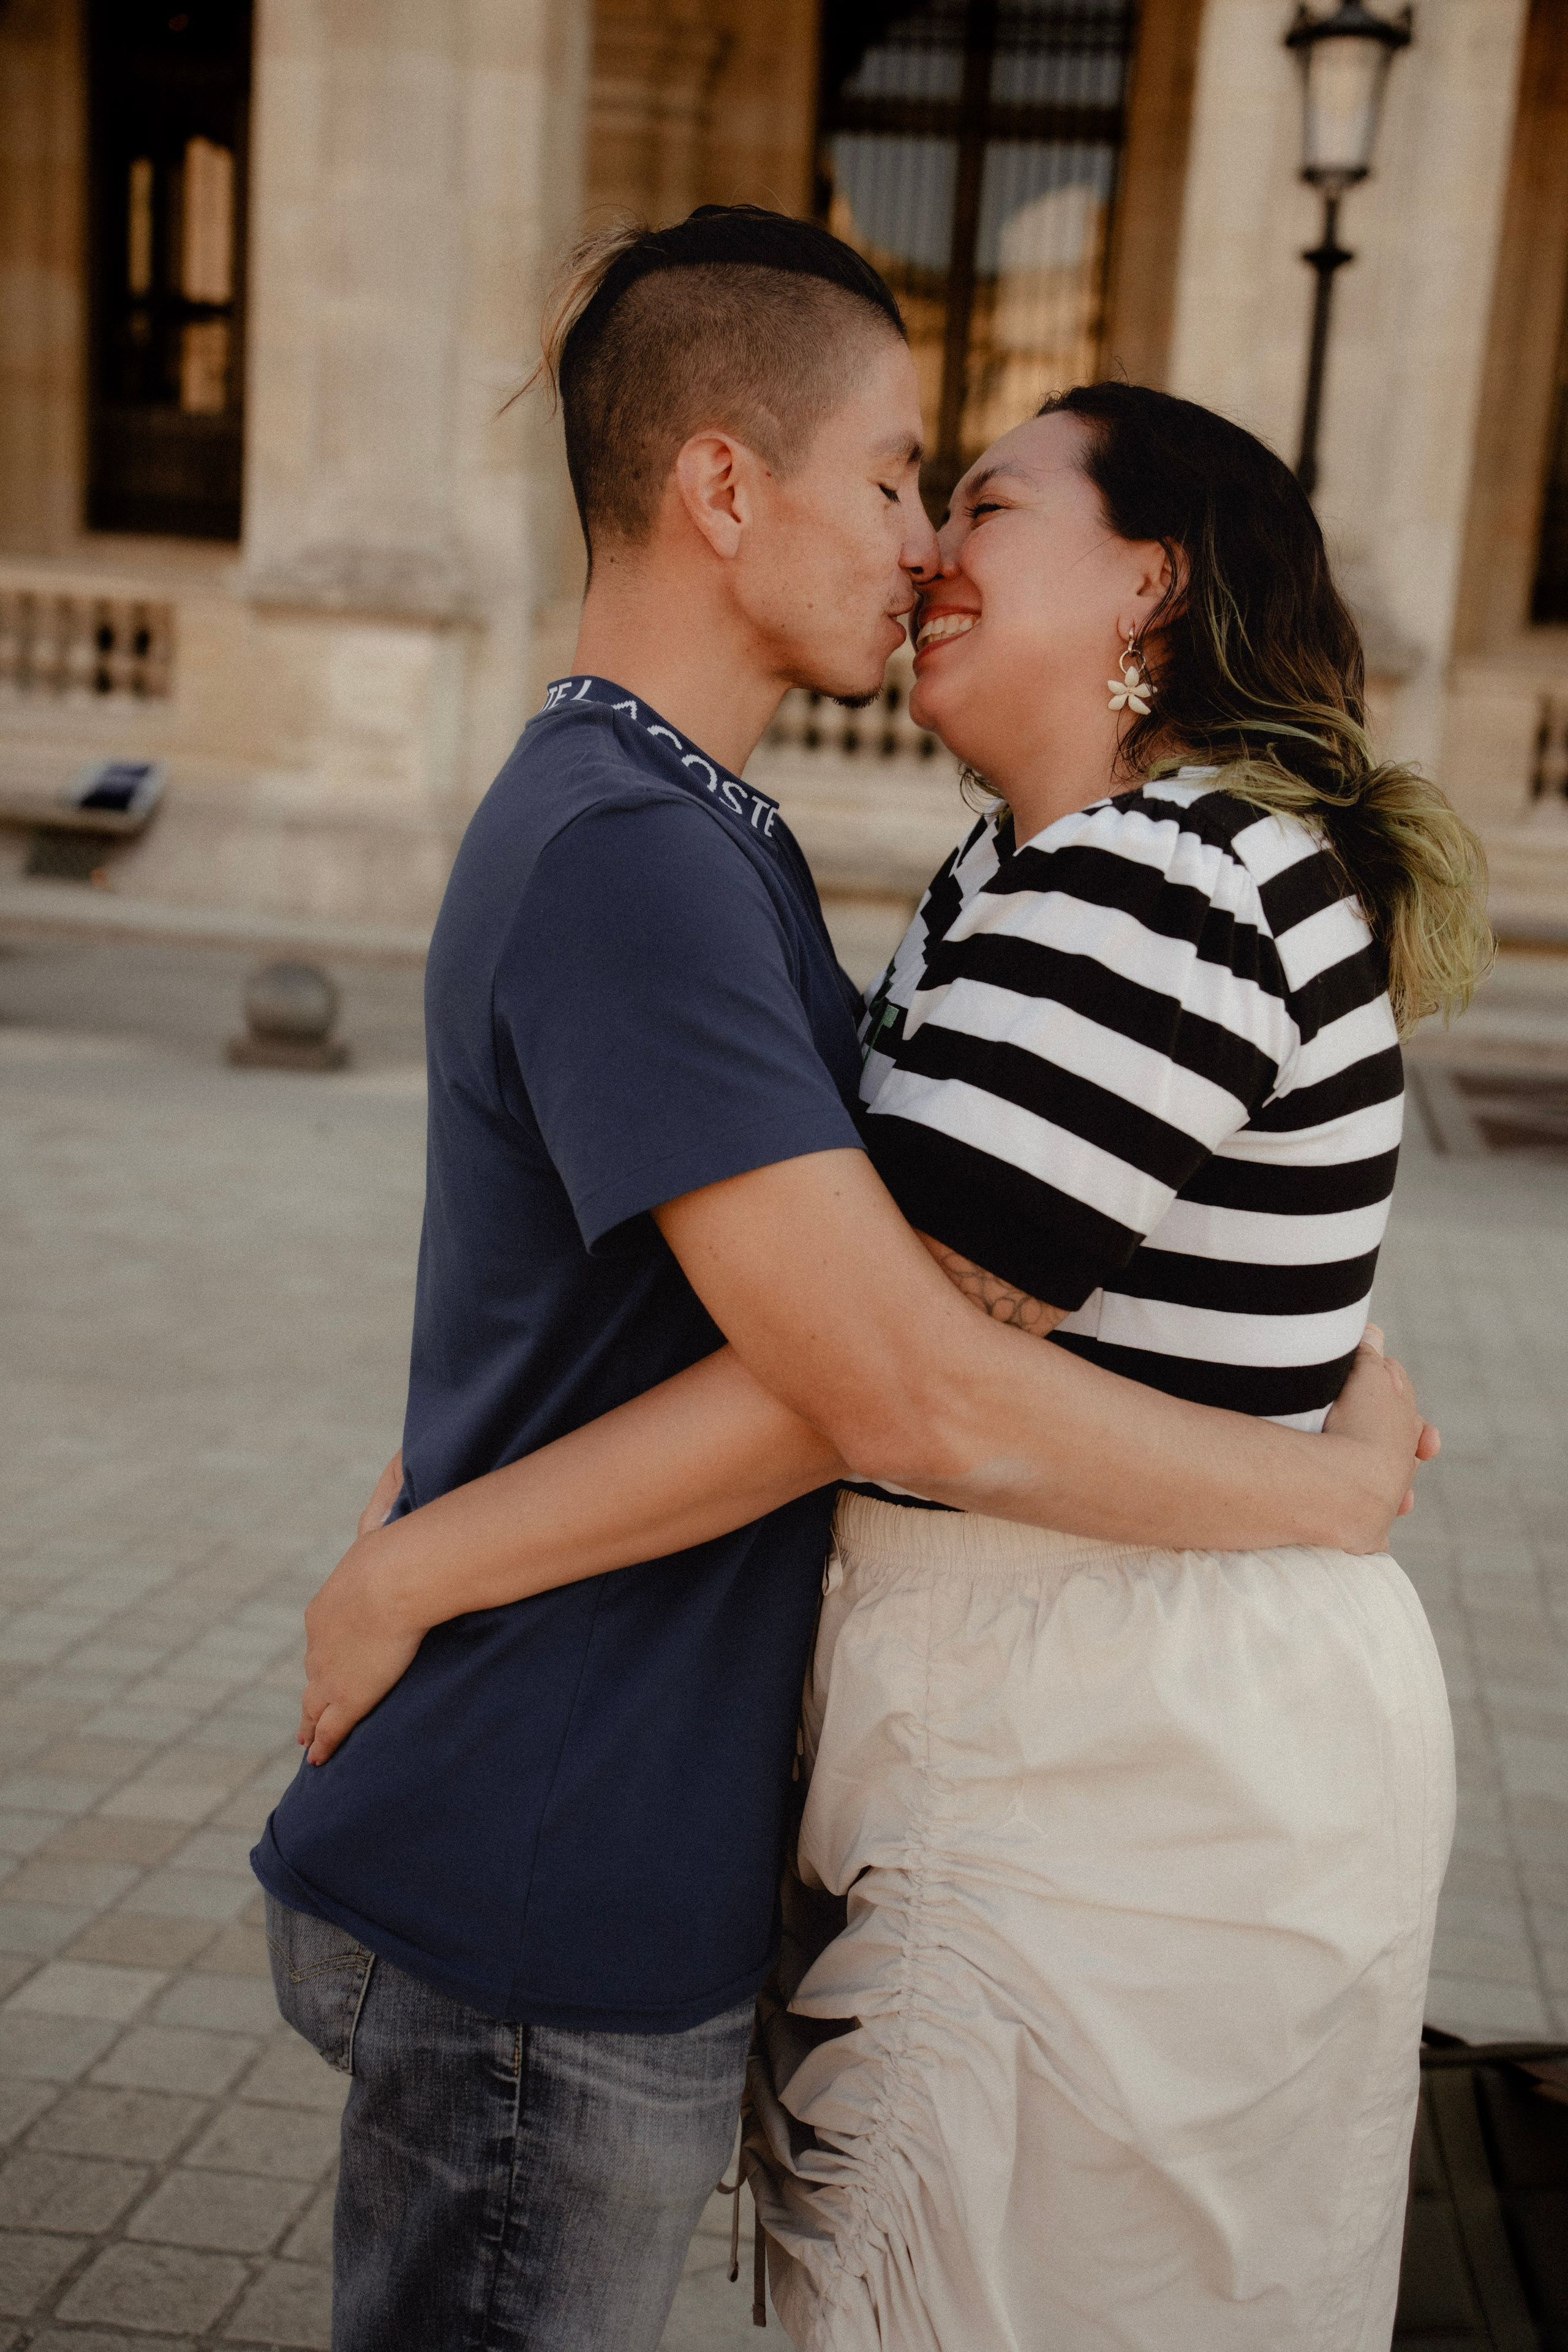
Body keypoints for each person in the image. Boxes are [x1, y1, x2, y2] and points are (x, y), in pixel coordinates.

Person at [257, 208, 1438, 2352]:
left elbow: (920, 1337)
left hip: (769, 1783)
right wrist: (1322, 1481)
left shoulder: (750, 838)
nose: (921, 543)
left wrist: (433, 1532)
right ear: (726, 488)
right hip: (570, 1811)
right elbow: (896, 1370)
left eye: (968, 496)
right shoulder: (657, 846)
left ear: (1151, 587)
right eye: (905, 478)